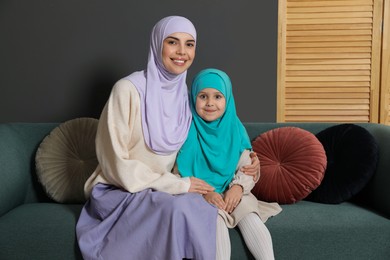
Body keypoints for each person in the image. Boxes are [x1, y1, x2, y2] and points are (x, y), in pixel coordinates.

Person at [76, 16, 259, 260]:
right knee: (181, 208)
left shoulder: (187, 96)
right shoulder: (128, 89)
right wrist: (178, 185)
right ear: (156, 44)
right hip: (121, 188)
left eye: (190, 44)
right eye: (172, 42)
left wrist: (247, 163)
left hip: (166, 189)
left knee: (203, 207)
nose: (182, 51)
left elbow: (208, 141)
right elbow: (113, 162)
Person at [176, 68, 282, 260]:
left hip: (233, 190)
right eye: (203, 96)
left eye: (218, 96)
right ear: (193, 98)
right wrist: (205, 192)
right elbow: (179, 172)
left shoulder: (234, 127)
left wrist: (239, 187)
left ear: (228, 100)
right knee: (214, 222)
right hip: (200, 194)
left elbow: (247, 166)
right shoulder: (185, 130)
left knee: (249, 215)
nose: (210, 103)